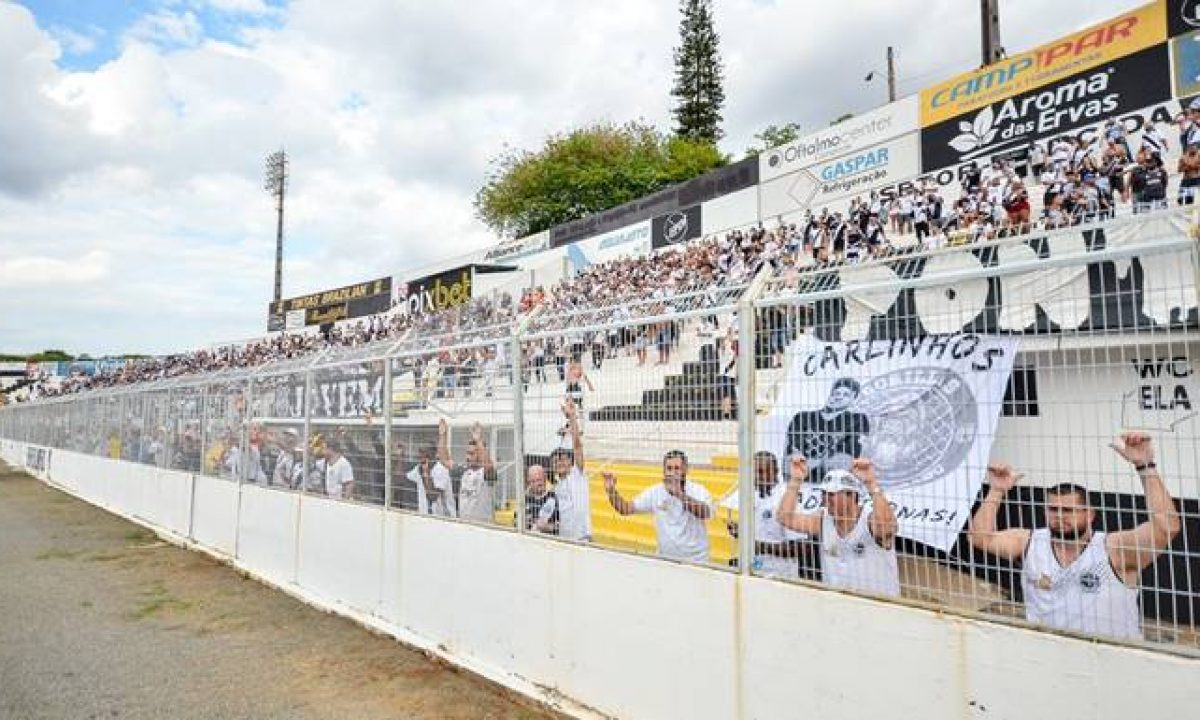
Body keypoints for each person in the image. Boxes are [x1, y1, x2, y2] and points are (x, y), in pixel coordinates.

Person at [967, 433, 1181, 640]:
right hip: (1049, 659)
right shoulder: (1030, 542)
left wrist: (1145, 466)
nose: (1059, 517)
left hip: (1109, 661)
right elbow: (980, 538)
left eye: (1068, 510)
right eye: (1053, 509)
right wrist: (996, 491)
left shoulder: (1113, 549)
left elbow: (1166, 529)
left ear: (1090, 514)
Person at [776, 455, 900, 597]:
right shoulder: (823, 519)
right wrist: (795, 481)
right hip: (840, 606)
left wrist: (871, 484)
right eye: (824, 493)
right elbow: (785, 518)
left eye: (833, 494)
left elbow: (886, 529)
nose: (826, 499)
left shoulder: (870, 520)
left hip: (879, 607)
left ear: (852, 496)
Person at [602, 450, 714, 563]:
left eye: (677, 468)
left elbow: (705, 513)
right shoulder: (655, 492)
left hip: (697, 561)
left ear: (685, 469)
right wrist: (611, 491)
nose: (672, 473)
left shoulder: (698, 490)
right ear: (664, 471)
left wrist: (679, 494)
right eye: (669, 468)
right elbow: (625, 508)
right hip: (666, 560)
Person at [724, 451, 811, 578]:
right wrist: (740, 532)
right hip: (753, 571)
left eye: (760, 471)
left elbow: (800, 547)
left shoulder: (788, 498)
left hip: (780, 576)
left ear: (775, 472)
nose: (756, 477)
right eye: (753, 472)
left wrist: (759, 546)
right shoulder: (750, 495)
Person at [784, 378, 871, 483]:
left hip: (835, 480)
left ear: (854, 399)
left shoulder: (857, 419)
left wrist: (814, 462)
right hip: (802, 477)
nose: (839, 397)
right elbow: (793, 449)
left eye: (846, 395)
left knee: (840, 461)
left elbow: (848, 453)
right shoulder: (802, 417)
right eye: (837, 393)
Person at [437, 419, 496, 524]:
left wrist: (478, 440)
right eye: (467, 453)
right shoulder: (463, 470)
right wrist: (443, 435)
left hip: (483, 527)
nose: (467, 457)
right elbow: (444, 459)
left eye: (471, 453)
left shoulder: (486, 472)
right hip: (464, 525)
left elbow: (488, 465)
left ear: (480, 453)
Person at [549, 399, 592, 542]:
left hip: (582, 537)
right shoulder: (555, 488)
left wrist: (572, 417)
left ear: (570, 461)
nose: (559, 462)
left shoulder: (577, 474)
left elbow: (578, 447)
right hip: (564, 539)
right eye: (556, 460)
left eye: (562, 458)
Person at [406, 444, 456, 517]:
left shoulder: (441, 470)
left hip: (444, 518)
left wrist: (426, 474)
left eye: (426, 455)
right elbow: (405, 477)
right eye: (421, 454)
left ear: (434, 455)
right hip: (425, 517)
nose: (423, 459)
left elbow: (432, 497)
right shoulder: (419, 468)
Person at [524, 465, 560, 535]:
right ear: (529, 482)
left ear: (545, 478)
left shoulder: (553, 498)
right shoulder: (524, 499)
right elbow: (516, 522)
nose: (537, 484)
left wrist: (545, 527)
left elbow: (559, 527)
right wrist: (525, 522)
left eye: (539, 480)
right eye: (533, 481)